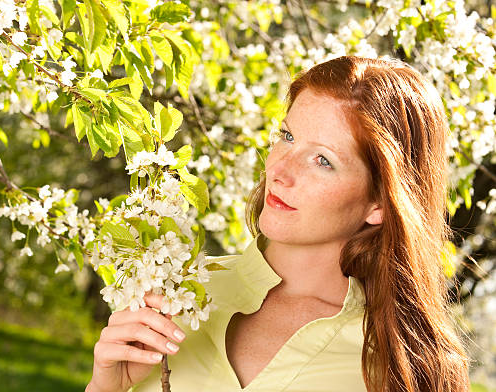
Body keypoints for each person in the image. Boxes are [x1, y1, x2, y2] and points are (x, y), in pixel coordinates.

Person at [85, 56, 471, 392]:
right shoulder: (175, 296)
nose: (279, 169)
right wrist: (105, 388)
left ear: (379, 203)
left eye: (322, 160)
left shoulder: (405, 366)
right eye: (286, 136)